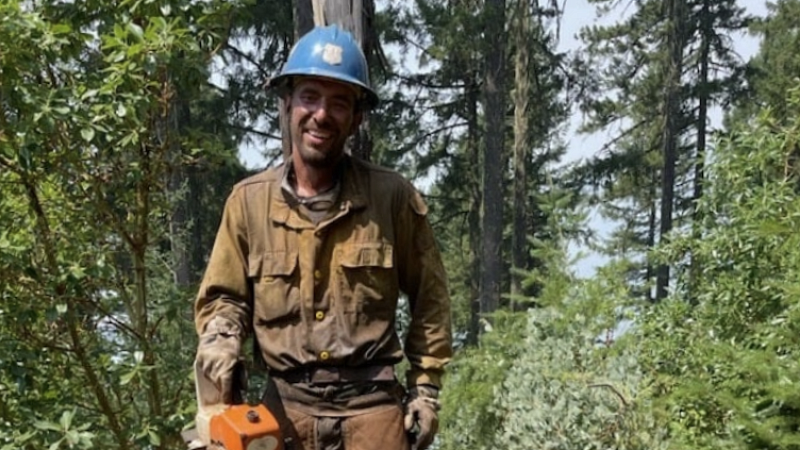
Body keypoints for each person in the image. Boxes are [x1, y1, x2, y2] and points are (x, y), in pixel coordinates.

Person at [193, 24, 453, 450]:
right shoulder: (248, 204)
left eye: (339, 103)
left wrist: (425, 390)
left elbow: (431, 297)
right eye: (310, 97)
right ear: (287, 103)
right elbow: (224, 297)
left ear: (357, 118)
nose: (321, 114)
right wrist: (221, 339)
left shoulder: (392, 198)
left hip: (373, 411)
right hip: (281, 412)